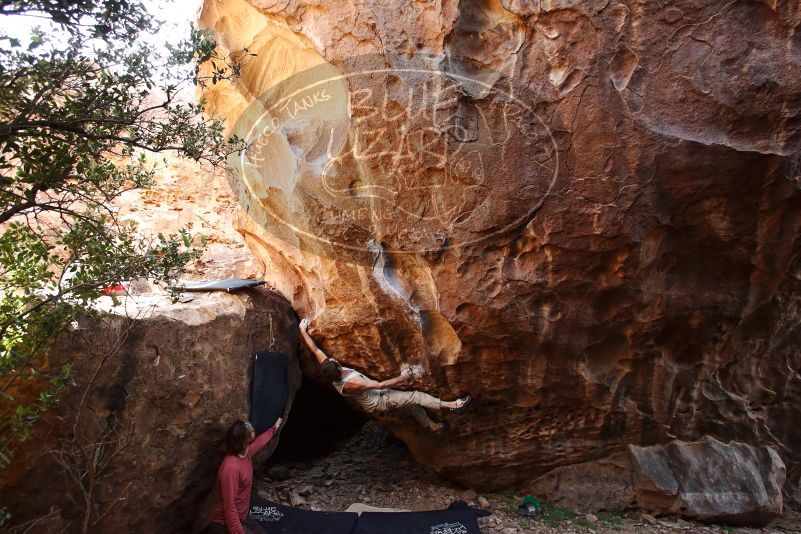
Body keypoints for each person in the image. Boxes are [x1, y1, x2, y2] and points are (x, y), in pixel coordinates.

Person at [299, 318, 471, 432]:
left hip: (378, 396)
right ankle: (453, 404)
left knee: (411, 405)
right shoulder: (352, 383)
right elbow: (380, 386)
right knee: (415, 396)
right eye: (333, 360)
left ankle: (432, 427)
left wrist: (302, 330)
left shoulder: (329, 369)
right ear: (337, 367)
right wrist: (403, 377)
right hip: (380, 400)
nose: (332, 358)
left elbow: (314, 349)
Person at [208, 417, 283, 534]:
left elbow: (259, 442)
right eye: (250, 429)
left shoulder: (244, 453)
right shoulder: (231, 468)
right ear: (245, 439)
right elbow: (229, 506)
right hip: (224, 524)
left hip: (241, 516)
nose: (253, 429)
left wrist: (274, 429)